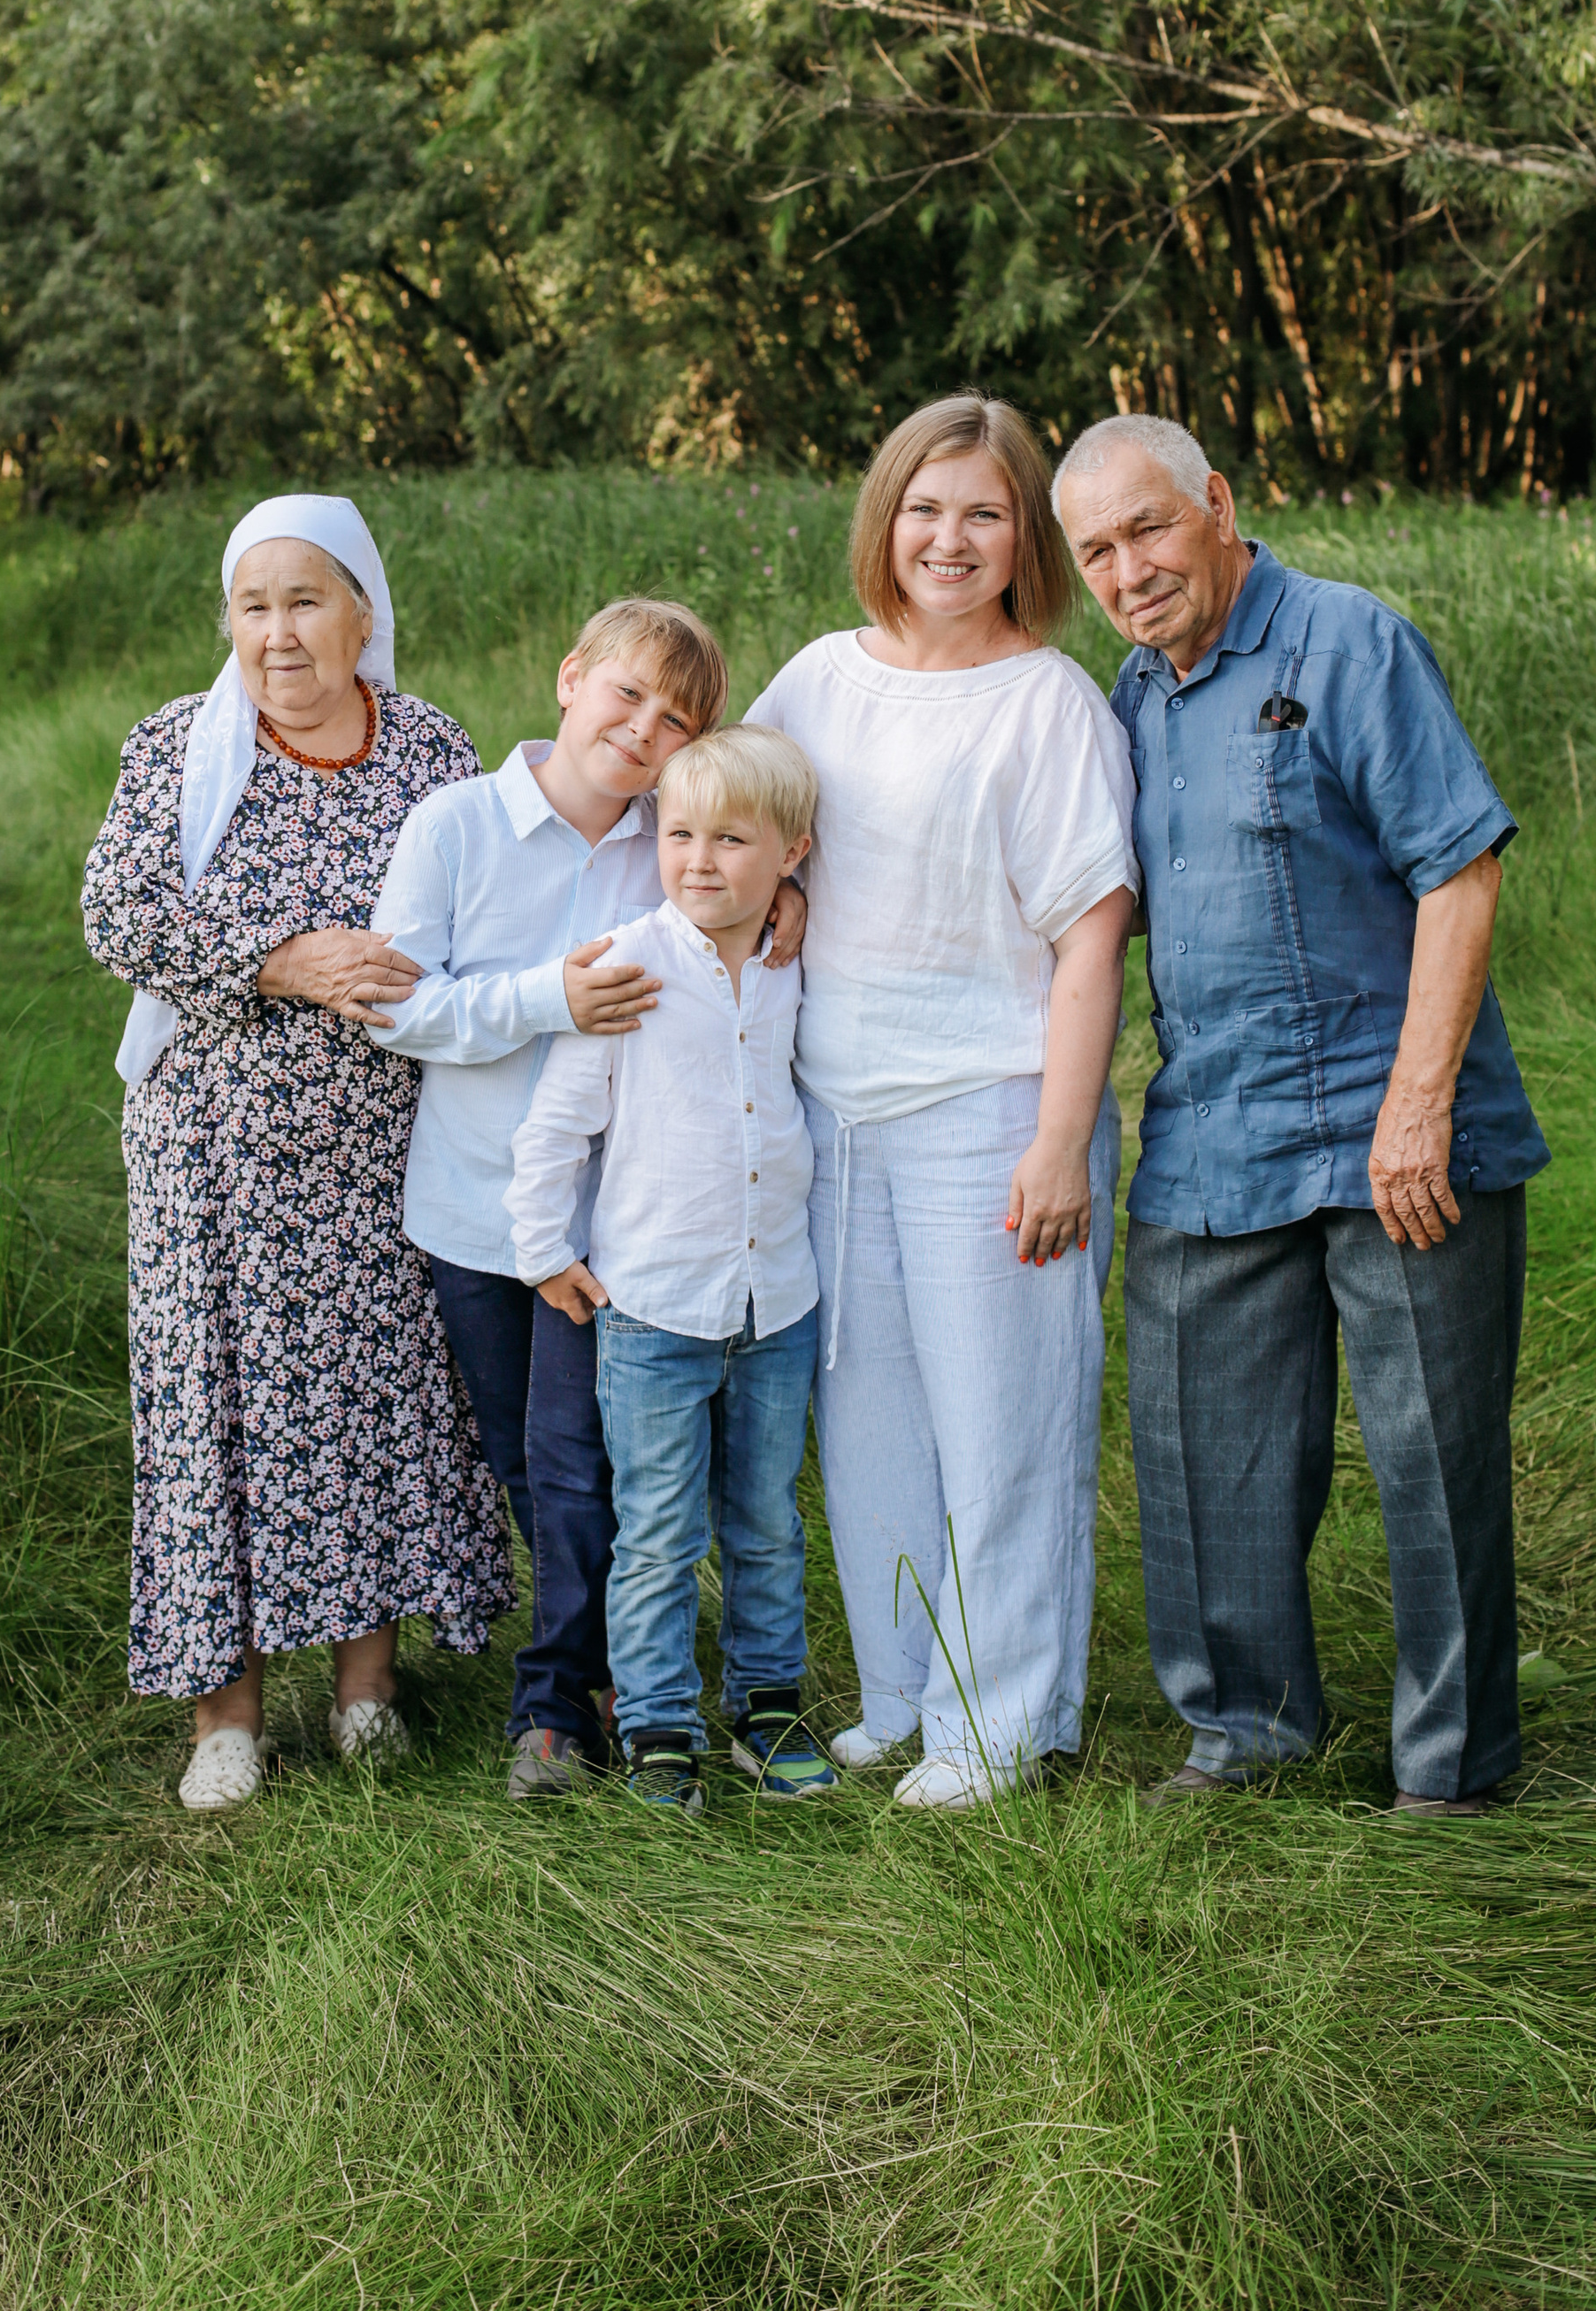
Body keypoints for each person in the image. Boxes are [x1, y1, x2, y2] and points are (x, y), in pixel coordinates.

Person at [1052, 416, 1548, 1816]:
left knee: (1433, 1466)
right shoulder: (1137, 697)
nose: (1128, 570)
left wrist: (1417, 1109)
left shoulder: (1348, 644)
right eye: (1096, 551)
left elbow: (1459, 874)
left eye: (1148, 528)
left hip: (1399, 1138)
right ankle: (1248, 1735)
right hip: (1216, 1135)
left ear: (1216, 503)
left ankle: (1452, 1773)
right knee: (1204, 1458)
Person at [81, 494, 514, 1815]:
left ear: (363, 615)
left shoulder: (433, 749)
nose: (278, 633)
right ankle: (227, 1713)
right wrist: (276, 962)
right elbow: (115, 911)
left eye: (306, 601)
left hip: (387, 1145)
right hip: (212, 1155)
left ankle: (368, 1688)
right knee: (226, 1407)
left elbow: (510, 899)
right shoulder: (180, 748)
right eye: (254, 605)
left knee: (375, 1397)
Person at [749, 395, 1139, 1809]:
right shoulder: (815, 681)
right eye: (925, 507)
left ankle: (1002, 1719)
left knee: (1004, 1424)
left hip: (992, 1107)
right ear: (885, 520)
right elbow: (749, 827)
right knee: (868, 1429)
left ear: (1025, 532)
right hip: (836, 1110)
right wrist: (783, 889)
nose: (950, 538)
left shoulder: (1051, 706)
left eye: (984, 512)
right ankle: (904, 1692)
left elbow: (1090, 941)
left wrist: (1057, 1142)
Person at [366, 597, 761, 1800]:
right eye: (626, 695)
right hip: (477, 1209)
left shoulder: (670, 840)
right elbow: (393, 1008)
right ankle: (605, 1667)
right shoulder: (457, 826)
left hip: (611, 1216)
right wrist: (548, 1000)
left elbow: (741, 899)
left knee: (583, 1452)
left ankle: (553, 1703)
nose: (642, 730)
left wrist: (774, 907)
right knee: (525, 1462)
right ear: (569, 679)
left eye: (675, 720)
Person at [507, 726, 833, 1815]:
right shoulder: (627, 964)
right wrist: (544, 1250)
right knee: (657, 1528)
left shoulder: (796, 961)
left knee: (767, 1520)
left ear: (790, 854)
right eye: (677, 833)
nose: (697, 859)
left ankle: (767, 1702)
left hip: (774, 1298)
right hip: (653, 1308)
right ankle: (656, 1722)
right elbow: (556, 1128)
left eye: (730, 840)